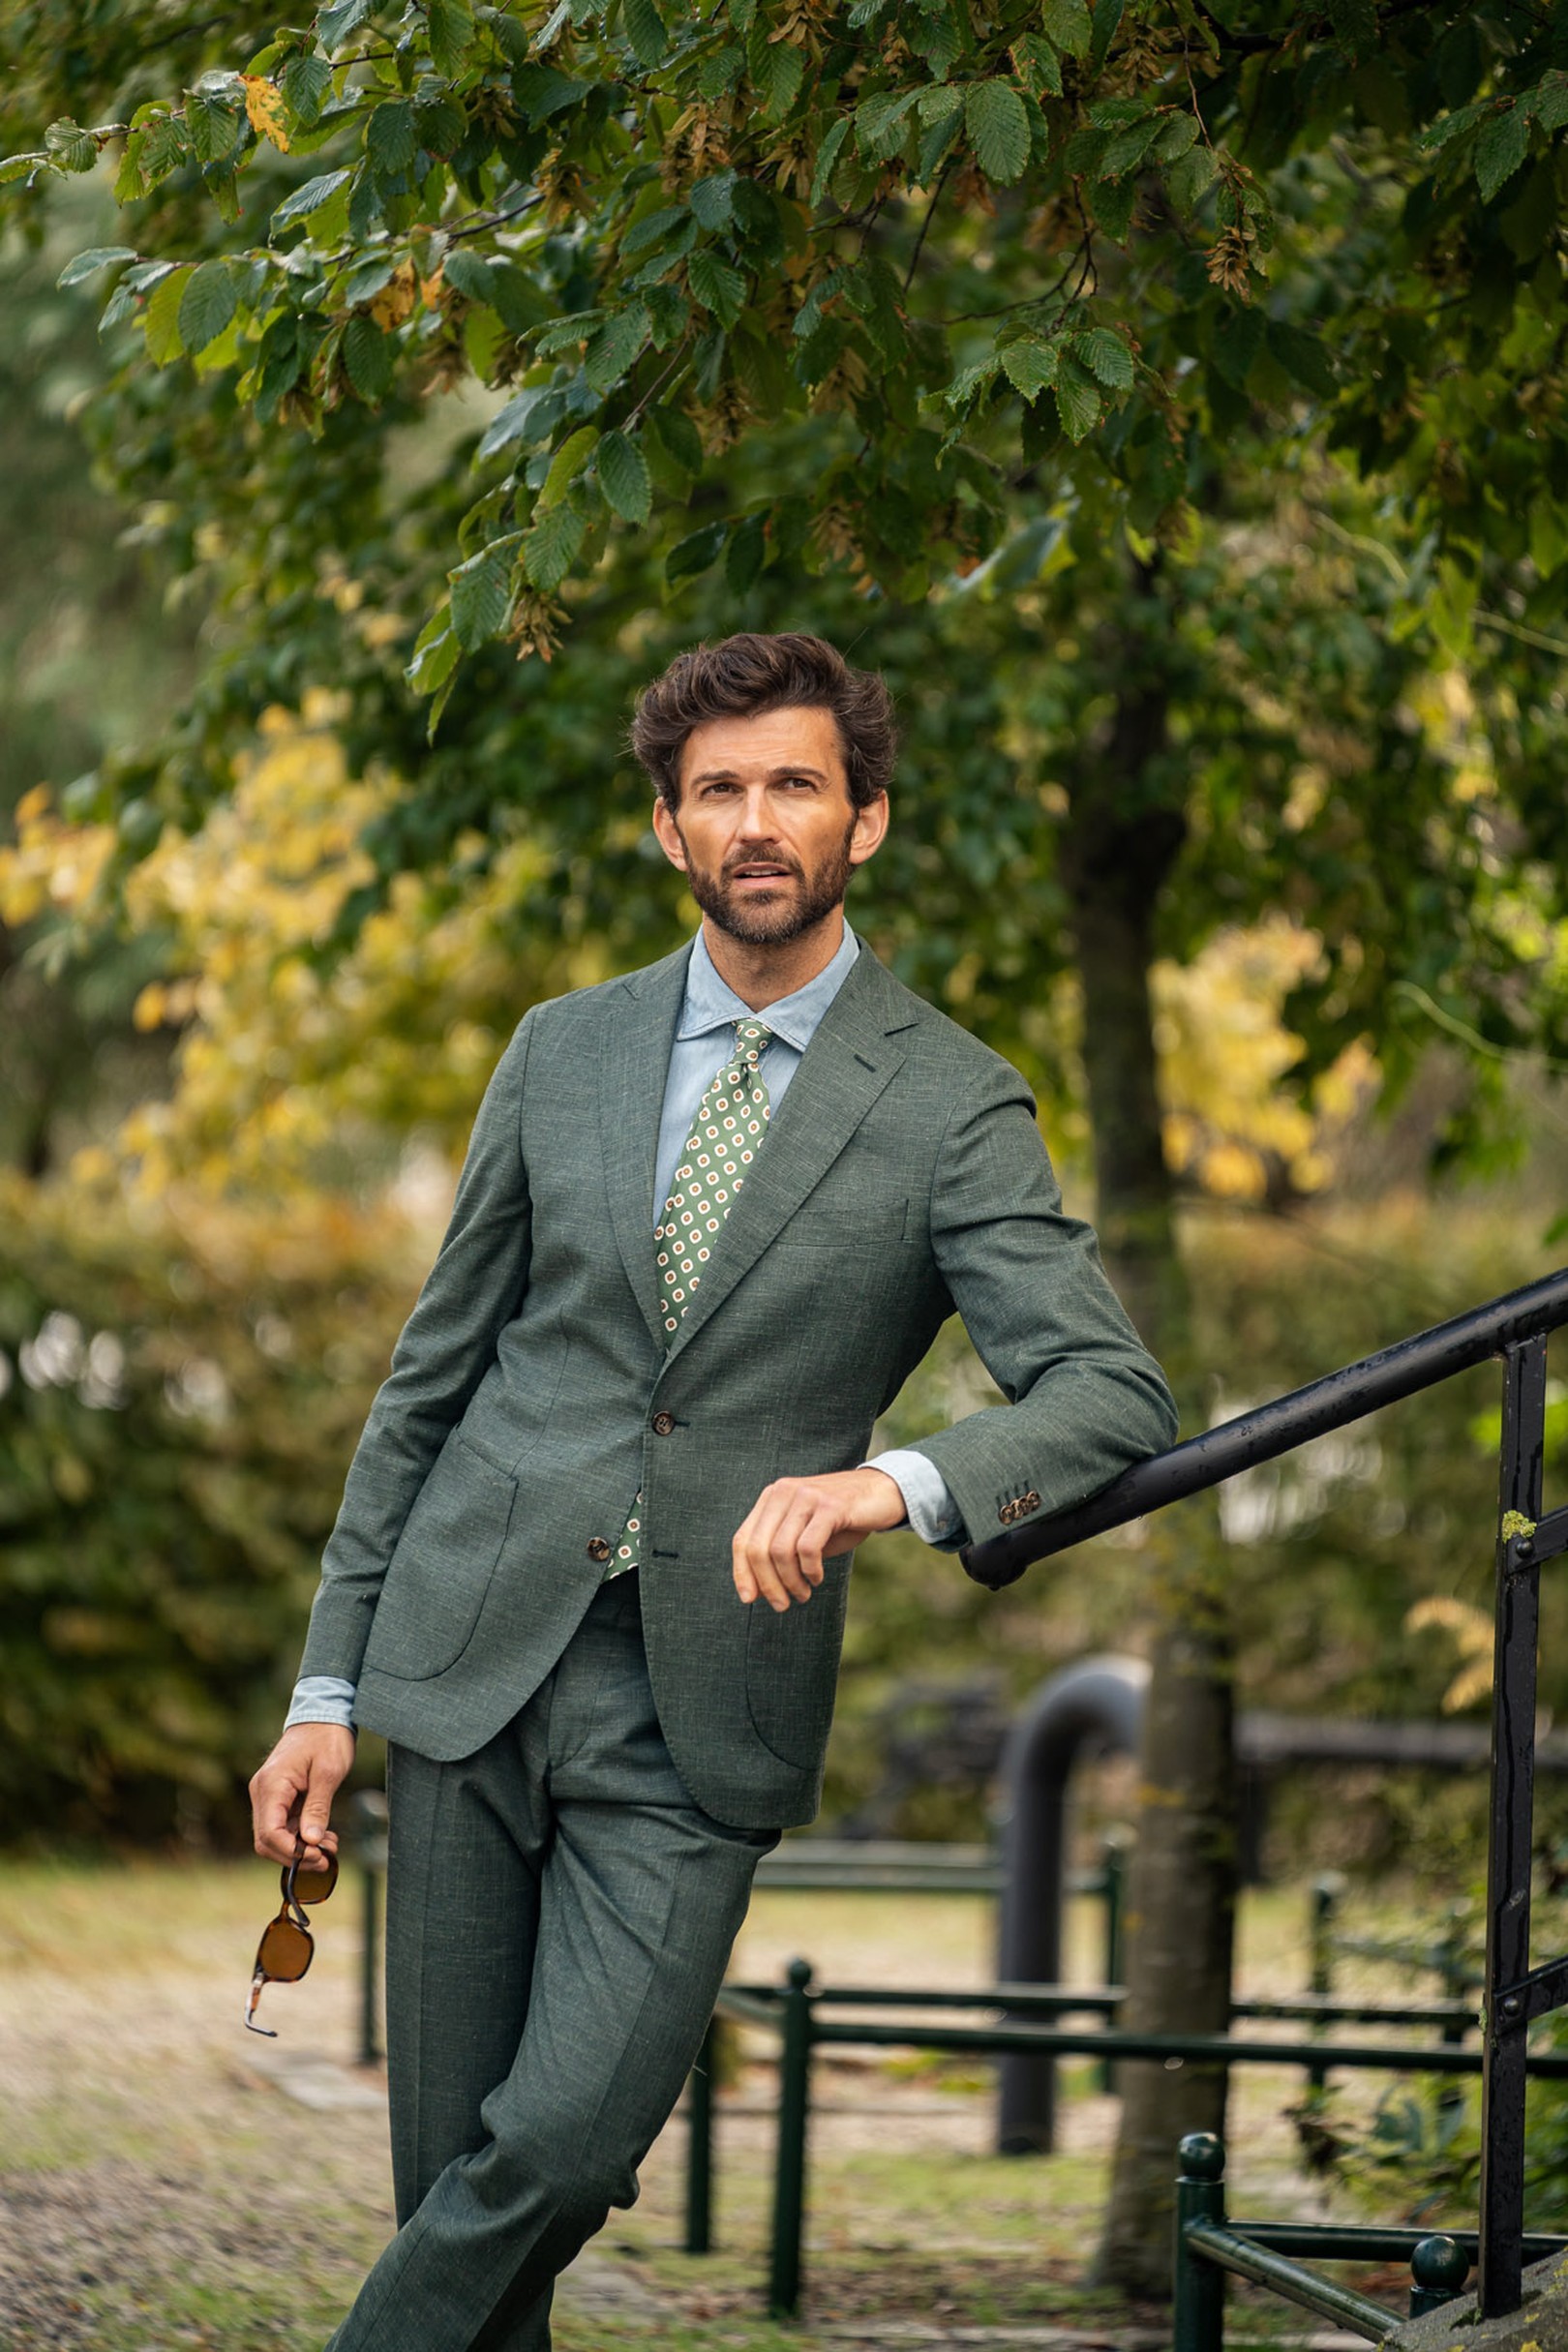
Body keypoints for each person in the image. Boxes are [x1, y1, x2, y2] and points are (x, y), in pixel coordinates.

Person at [249, 630, 1178, 2351]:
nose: (759, 820)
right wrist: (327, 1686)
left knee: (559, 2146)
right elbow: (429, 1380)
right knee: (454, 2178)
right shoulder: (559, 1051)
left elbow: (1111, 1388)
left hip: (703, 1707)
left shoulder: (954, 1101)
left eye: (796, 784)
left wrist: (885, 1483)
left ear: (867, 820)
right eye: (720, 790)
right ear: (673, 829)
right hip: (464, 1664)